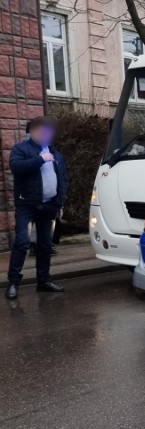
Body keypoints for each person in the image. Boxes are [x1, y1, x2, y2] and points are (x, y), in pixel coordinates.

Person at [6, 116, 68, 300]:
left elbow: (63, 176)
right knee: (21, 242)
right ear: (33, 132)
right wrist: (40, 160)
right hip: (27, 205)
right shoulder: (21, 149)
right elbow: (16, 167)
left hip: (49, 206)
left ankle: (43, 281)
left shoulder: (55, 153)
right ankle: (13, 283)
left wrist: (60, 200)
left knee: (45, 245)